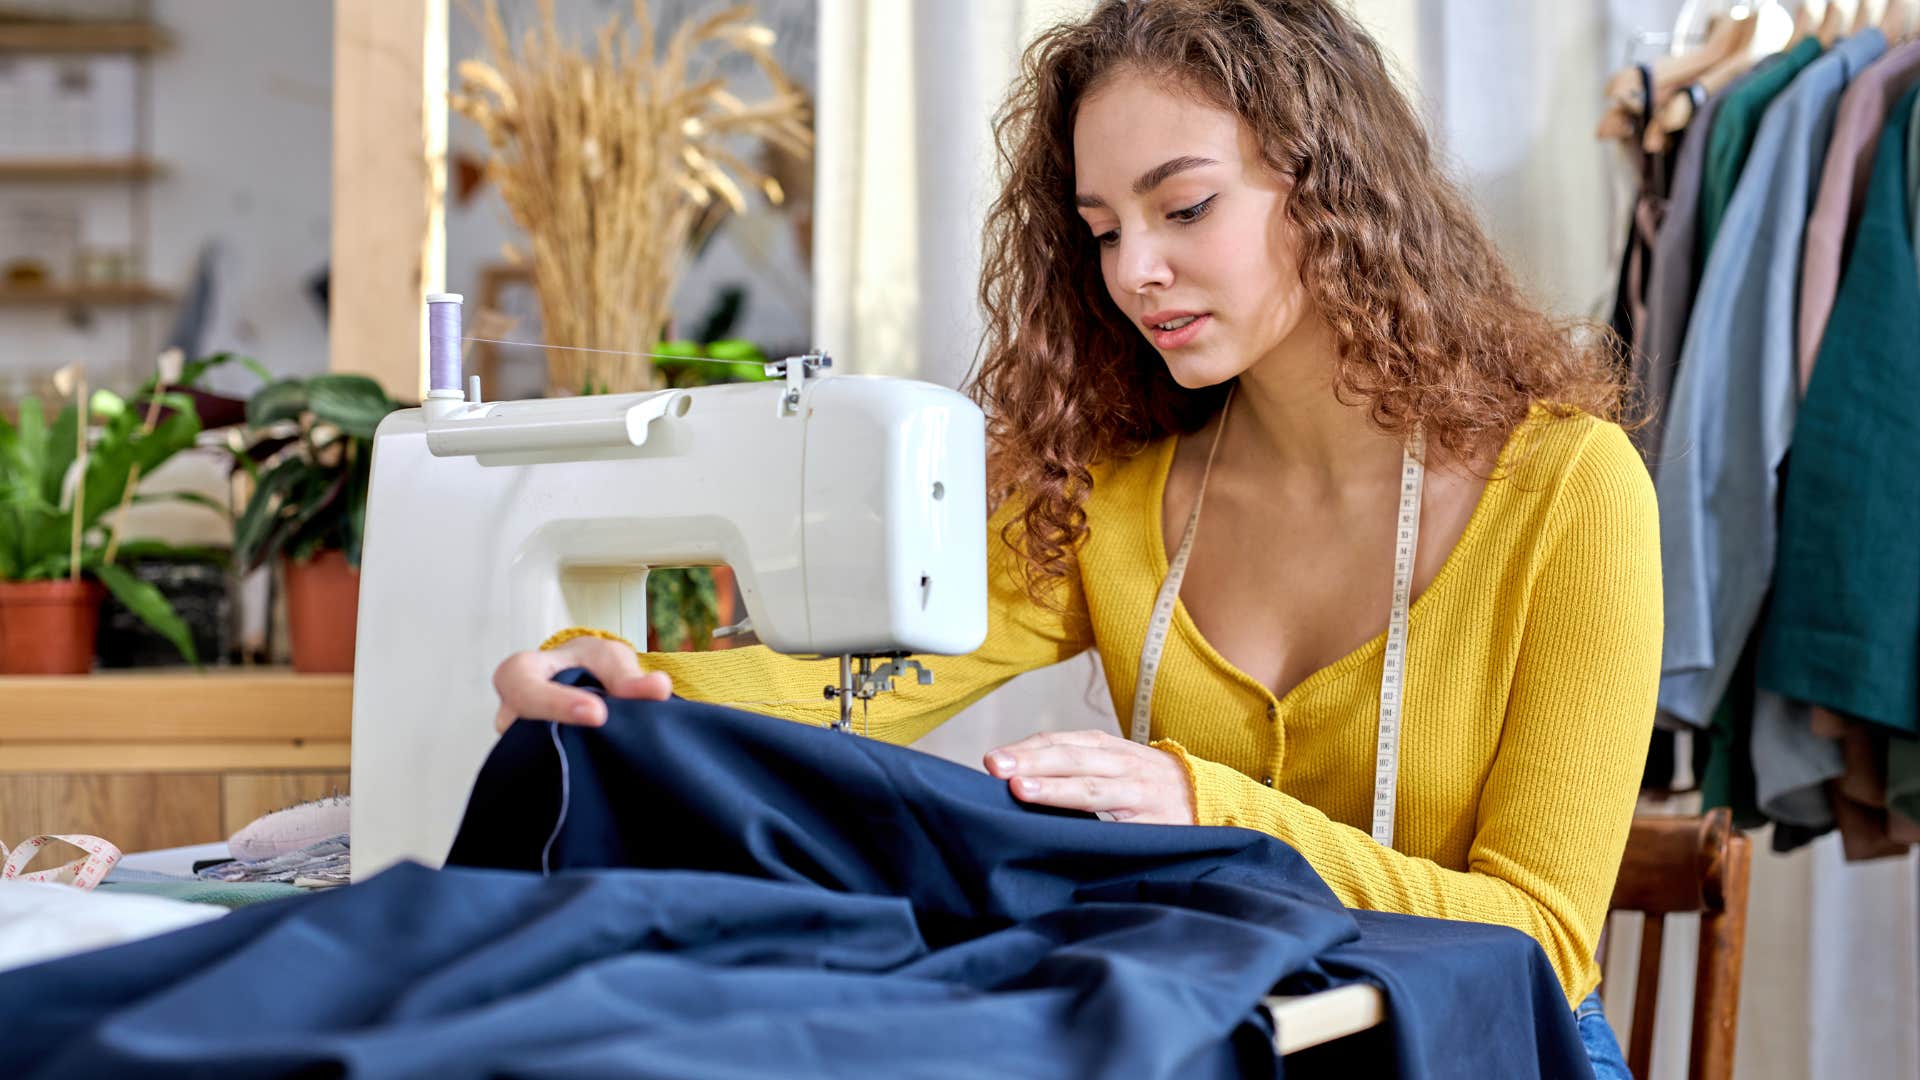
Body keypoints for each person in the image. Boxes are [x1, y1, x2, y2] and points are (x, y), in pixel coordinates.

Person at [491, 1, 1655, 1072]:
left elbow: (1542, 938)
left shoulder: (1566, 491)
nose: (1134, 272)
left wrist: (1211, 811)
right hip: (1246, 1039)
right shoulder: (1114, 498)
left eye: (1184, 208)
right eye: (1102, 230)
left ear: (1331, 187)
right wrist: (615, 680)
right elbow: (854, 691)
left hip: (1499, 1049)